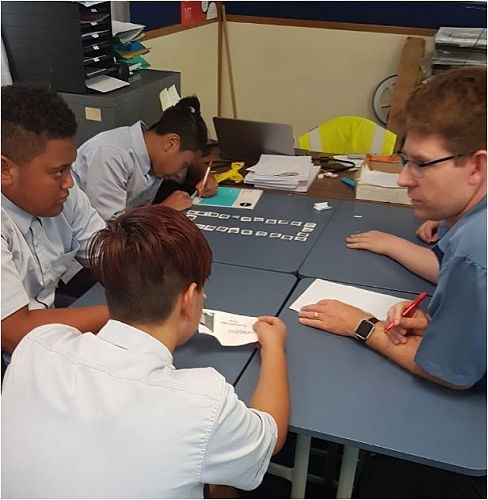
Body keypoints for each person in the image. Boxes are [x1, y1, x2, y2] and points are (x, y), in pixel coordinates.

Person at [1, 205, 290, 498]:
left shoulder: (37, 346)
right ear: (189, 300)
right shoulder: (205, 402)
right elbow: (271, 437)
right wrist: (274, 346)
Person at [299, 66, 486, 390]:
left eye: (422, 164)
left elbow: (449, 374)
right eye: (405, 160)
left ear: (477, 166)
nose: (403, 179)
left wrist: (362, 325)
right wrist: (437, 324)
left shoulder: (476, 245)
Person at [1, 84, 109, 355]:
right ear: (4, 170)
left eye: (69, 167)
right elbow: (14, 332)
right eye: (59, 171)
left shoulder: (62, 195)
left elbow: (107, 252)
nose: (69, 182)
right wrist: (130, 314)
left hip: (46, 328)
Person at [72, 95, 218, 222]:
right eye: (184, 165)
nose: (180, 174)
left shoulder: (154, 151)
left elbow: (192, 161)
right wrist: (164, 210)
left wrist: (206, 176)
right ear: (171, 143)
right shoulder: (110, 155)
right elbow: (109, 230)